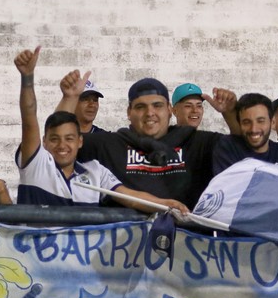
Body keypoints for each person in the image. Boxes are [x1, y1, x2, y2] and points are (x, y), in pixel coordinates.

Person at [13, 47, 188, 212]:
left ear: (80, 141)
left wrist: (167, 204)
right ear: (44, 141)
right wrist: (27, 78)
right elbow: (29, 117)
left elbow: (131, 198)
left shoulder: (95, 171)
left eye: (69, 139)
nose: (62, 145)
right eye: (54, 139)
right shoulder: (36, 164)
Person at [60, 72, 239, 210]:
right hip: (124, 246)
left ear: (169, 110)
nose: (150, 113)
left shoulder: (198, 143)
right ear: (129, 112)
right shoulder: (108, 144)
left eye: (157, 105)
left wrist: (230, 114)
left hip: (187, 245)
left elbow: (243, 152)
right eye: (140, 107)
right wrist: (69, 98)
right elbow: (58, 144)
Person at [212, 93, 278, 175]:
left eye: (260, 121)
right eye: (246, 122)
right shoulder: (227, 151)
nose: (254, 129)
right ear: (239, 124)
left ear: (272, 123)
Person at [171, 82, 239, 131]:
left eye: (199, 106)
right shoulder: (167, 140)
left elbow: (239, 143)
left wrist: (229, 113)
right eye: (188, 106)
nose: (195, 110)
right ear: (174, 111)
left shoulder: (209, 141)